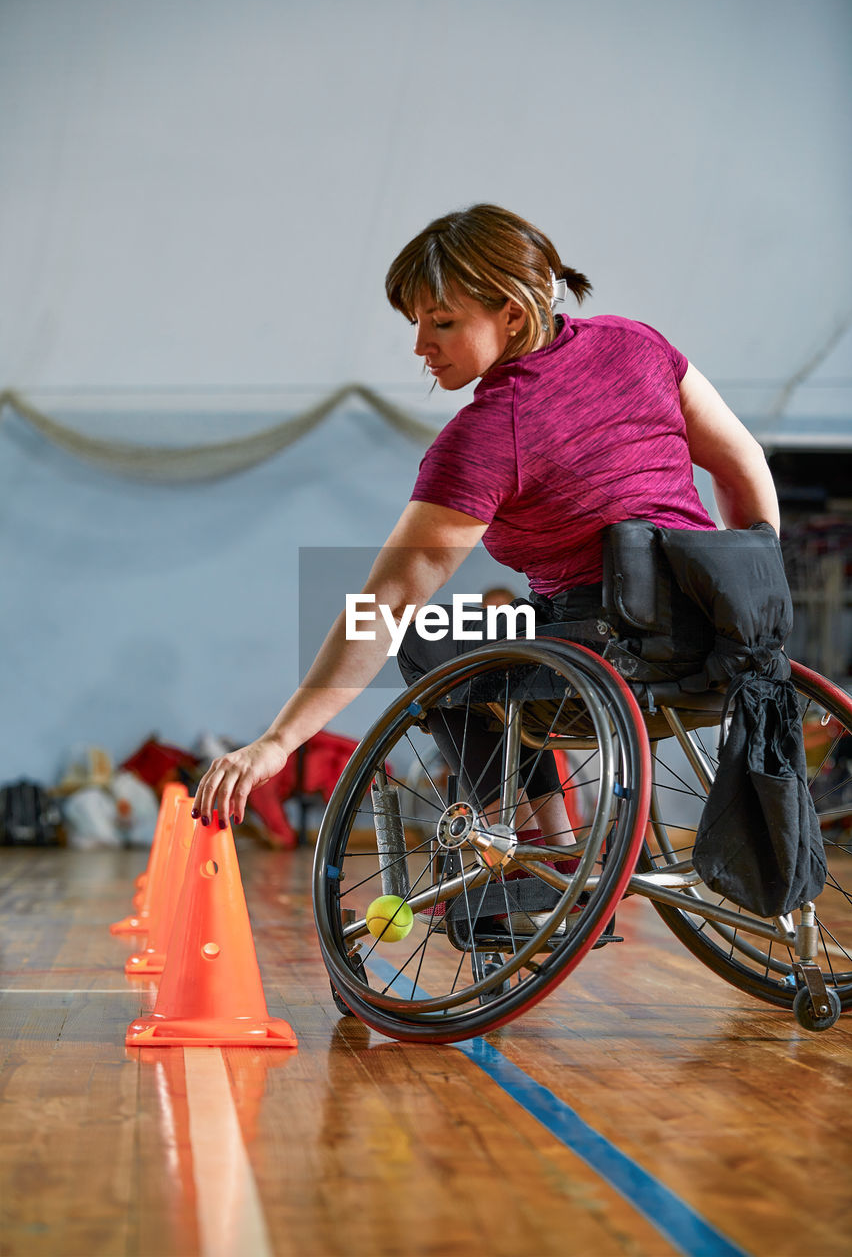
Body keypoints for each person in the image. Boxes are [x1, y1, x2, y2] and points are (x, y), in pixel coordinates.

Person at [192, 203, 780, 857]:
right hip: (712, 639)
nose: (420, 346)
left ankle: (516, 843)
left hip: (600, 653)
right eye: (415, 323)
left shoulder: (487, 433)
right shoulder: (636, 343)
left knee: (426, 636)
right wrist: (754, 601)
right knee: (503, 627)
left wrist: (279, 741)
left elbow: (385, 605)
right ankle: (551, 843)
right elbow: (741, 464)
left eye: (441, 323)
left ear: (512, 311)